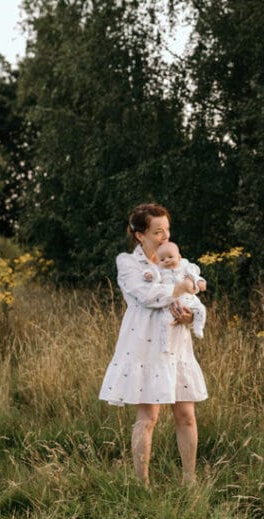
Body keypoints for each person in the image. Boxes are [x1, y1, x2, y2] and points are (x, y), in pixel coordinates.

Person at [99, 203, 208, 486]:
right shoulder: (128, 263)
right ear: (140, 235)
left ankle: (189, 479)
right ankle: (142, 483)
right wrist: (179, 289)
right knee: (148, 418)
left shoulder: (177, 259)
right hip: (144, 347)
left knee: (186, 415)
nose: (164, 236)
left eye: (167, 230)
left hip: (177, 345)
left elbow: (193, 290)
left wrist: (189, 313)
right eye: (157, 231)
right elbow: (146, 296)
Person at [150, 240, 207, 342]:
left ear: (179, 257)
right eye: (162, 259)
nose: (167, 260)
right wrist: (149, 275)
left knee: (200, 309)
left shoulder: (185, 267)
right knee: (166, 322)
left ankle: (198, 327)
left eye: (170, 257)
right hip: (171, 303)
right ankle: (165, 343)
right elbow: (154, 279)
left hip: (188, 300)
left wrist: (199, 282)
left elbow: (194, 276)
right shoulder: (160, 271)